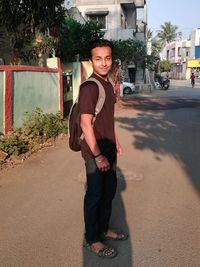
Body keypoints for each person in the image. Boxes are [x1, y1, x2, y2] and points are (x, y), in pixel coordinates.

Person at [79, 39, 127, 259]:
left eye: (107, 58)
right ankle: (92, 239)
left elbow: (107, 118)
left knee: (108, 192)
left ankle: (104, 229)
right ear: (91, 61)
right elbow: (85, 124)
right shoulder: (90, 86)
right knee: (95, 195)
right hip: (94, 152)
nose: (104, 63)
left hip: (108, 148)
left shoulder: (107, 83)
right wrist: (97, 156)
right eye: (98, 59)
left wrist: (115, 140)